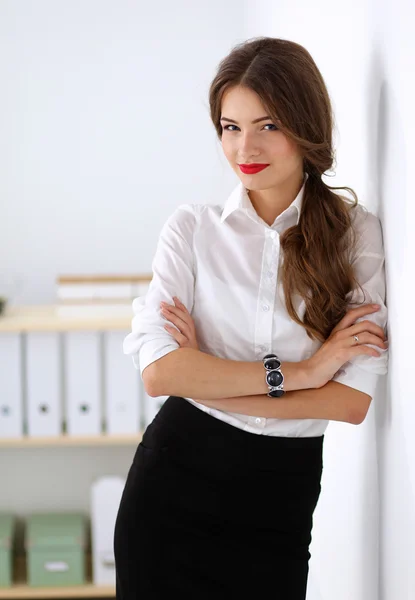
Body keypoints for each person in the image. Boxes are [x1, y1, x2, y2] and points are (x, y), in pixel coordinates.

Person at [113, 36, 389, 600]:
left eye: (267, 125)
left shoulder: (355, 237)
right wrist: (306, 373)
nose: (245, 147)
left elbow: (352, 403)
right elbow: (160, 376)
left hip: (279, 502)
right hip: (172, 488)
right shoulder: (191, 231)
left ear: (304, 124)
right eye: (230, 126)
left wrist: (206, 374)